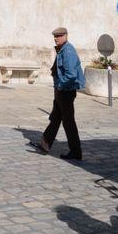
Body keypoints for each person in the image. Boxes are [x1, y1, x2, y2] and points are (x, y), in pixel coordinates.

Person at [35, 27, 85, 161]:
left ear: (66, 36)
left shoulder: (68, 51)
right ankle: (45, 143)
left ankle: (76, 151)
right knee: (56, 118)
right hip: (61, 90)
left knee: (68, 122)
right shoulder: (62, 49)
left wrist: (60, 85)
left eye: (59, 36)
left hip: (66, 91)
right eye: (55, 36)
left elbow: (71, 75)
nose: (56, 38)